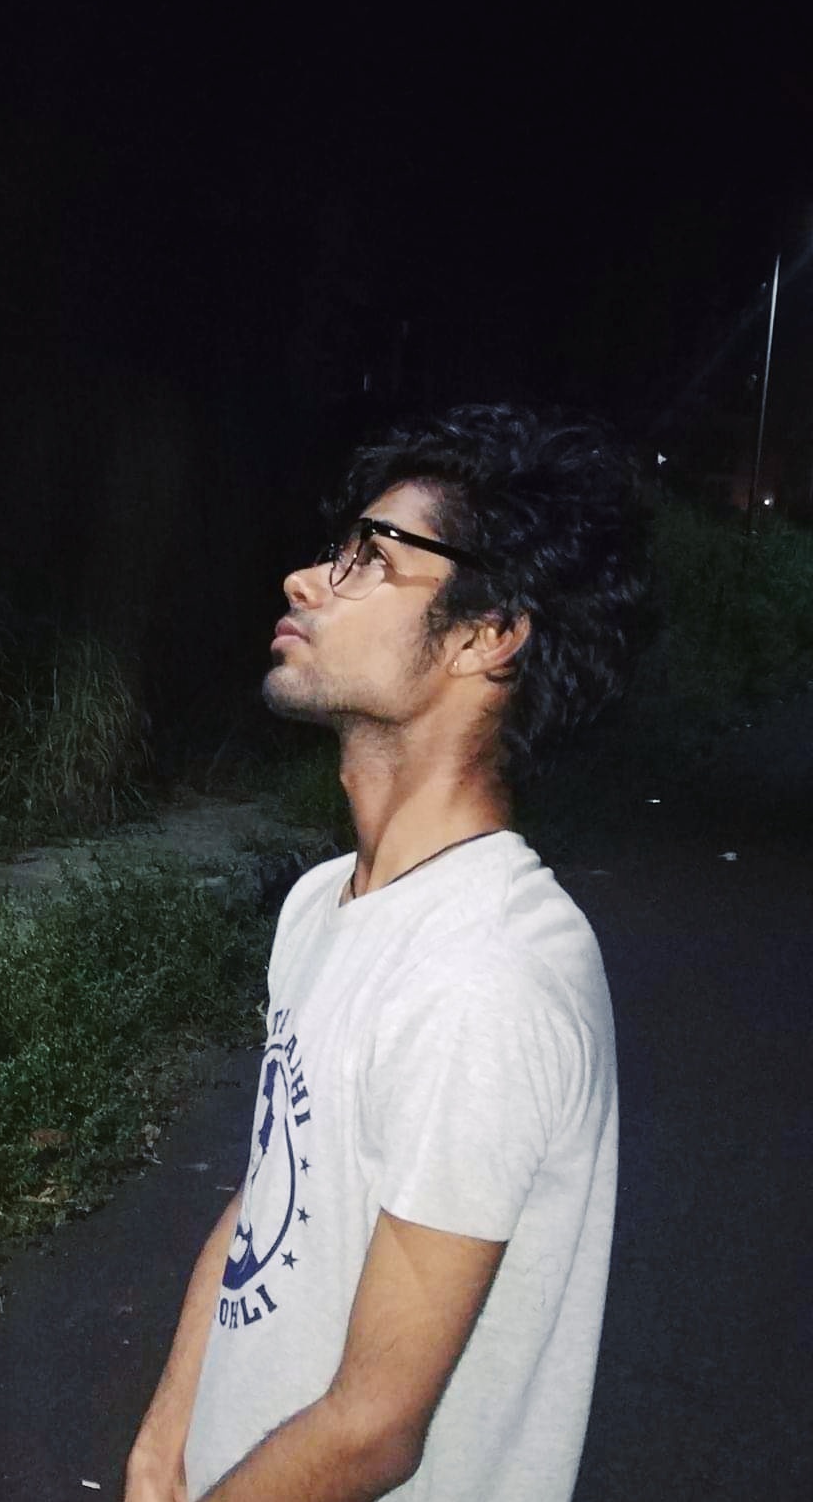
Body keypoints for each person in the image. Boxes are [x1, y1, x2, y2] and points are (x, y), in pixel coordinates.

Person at [126, 404, 654, 1502]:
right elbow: (271, 1192)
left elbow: (374, 1427)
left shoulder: (486, 977)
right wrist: (163, 1439)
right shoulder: (325, 902)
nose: (306, 580)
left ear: (484, 634)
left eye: (372, 558)